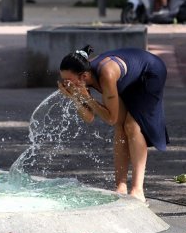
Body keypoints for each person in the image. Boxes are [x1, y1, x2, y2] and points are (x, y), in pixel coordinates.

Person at [58, 45, 169, 203]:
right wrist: (75, 97)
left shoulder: (106, 74)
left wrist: (87, 98)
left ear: (83, 76)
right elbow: (89, 117)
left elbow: (110, 118)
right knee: (120, 127)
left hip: (150, 73)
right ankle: (120, 186)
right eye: (63, 80)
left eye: (69, 81)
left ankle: (138, 190)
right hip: (128, 78)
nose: (66, 84)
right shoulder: (83, 79)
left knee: (132, 126)